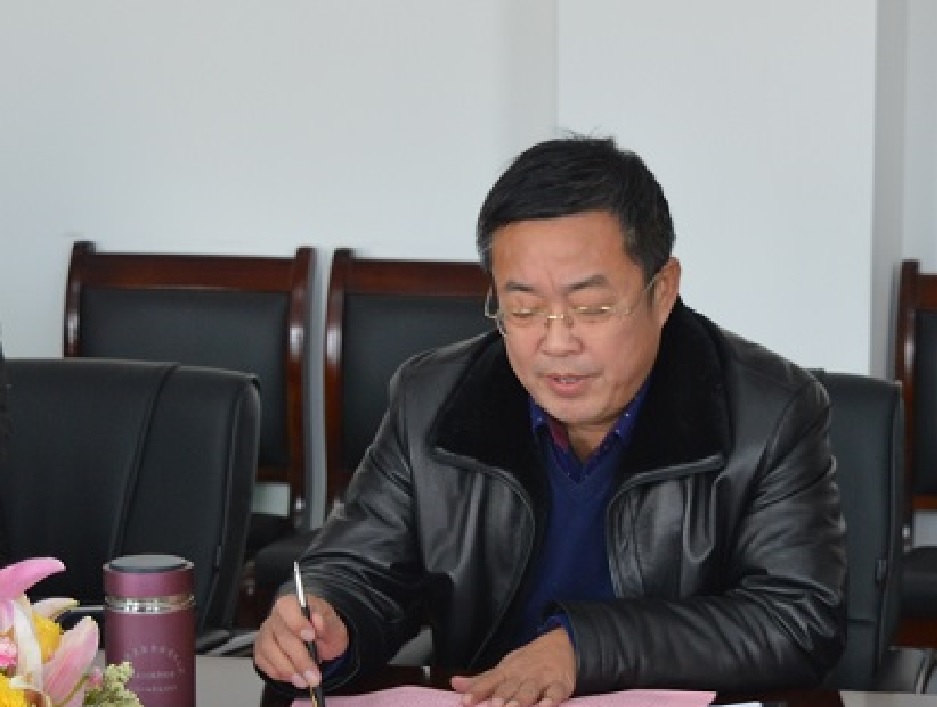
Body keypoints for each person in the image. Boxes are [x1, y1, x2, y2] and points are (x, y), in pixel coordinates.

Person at [254, 136, 847, 705]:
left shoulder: (771, 413)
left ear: (663, 290)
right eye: (523, 308)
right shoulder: (431, 400)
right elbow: (360, 568)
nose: (556, 342)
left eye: (591, 307)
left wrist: (586, 649)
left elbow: (796, 620)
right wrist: (327, 616)